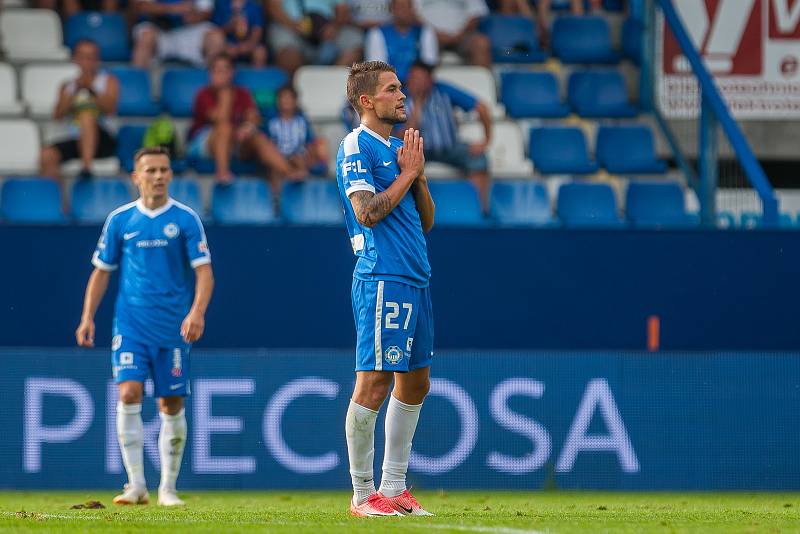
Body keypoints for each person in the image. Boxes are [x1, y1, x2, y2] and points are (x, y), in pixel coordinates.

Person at [75, 146, 214, 507]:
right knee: (128, 393)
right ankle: (136, 484)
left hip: (173, 328)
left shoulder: (185, 219)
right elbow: (101, 273)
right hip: (131, 326)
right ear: (136, 177)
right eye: (150, 170)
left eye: (164, 170)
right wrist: (88, 316)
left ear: (171, 175)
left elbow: (204, 273)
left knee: (170, 403)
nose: (158, 176)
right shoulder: (120, 220)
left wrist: (196, 312)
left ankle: (167, 487)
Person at [336, 61, 435, 517]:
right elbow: (366, 212)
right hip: (382, 276)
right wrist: (406, 175)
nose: (402, 96)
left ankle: (394, 487)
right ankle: (362, 495)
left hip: (415, 276)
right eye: (392, 89)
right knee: (373, 382)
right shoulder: (357, 145)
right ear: (365, 101)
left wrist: (419, 174)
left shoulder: (397, 149)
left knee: (415, 382)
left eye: (401, 88)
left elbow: (427, 221)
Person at [187, 53, 298, 185]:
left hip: (234, 141)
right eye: (216, 71)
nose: (220, 74)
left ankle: (289, 172)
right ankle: (222, 173)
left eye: (224, 70)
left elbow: (254, 117)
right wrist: (225, 95)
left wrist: (247, 127)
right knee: (225, 128)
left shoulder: (242, 93)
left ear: (231, 73)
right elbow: (220, 120)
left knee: (256, 136)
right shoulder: (203, 94)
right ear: (210, 74)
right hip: (204, 143)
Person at [403, 61, 492, 210]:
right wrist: (417, 106)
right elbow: (402, 135)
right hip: (418, 152)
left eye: (421, 78)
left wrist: (486, 141)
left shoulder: (443, 91)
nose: (416, 82)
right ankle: (409, 214)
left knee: (479, 158)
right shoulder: (401, 98)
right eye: (413, 78)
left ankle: (480, 209)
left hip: (450, 147)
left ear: (430, 80)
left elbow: (481, 108)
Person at [40, 39, 119, 183]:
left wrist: (91, 89)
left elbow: (110, 109)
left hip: (102, 141)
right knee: (47, 155)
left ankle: (86, 167)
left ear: (97, 60)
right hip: (76, 138)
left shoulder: (108, 81)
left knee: (86, 116)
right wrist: (73, 94)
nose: (86, 62)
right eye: (82, 57)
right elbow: (58, 116)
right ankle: (57, 202)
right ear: (75, 59)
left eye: (90, 58)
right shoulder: (67, 86)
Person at [267, 0, 362, 77]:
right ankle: (292, 91)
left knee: (354, 41)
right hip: (291, 28)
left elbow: (342, 9)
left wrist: (333, 27)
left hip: (328, 29)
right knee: (287, 53)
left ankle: (332, 82)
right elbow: (273, 7)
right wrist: (293, 25)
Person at [131, 0, 225, 67]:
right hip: (159, 29)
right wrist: (173, 9)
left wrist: (193, 17)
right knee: (146, 37)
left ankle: (211, 91)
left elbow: (206, 11)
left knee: (215, 37)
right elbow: (142, 6)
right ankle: (135, 88)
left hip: (188, 30)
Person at [365, 0, 438, 83]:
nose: (404, 11)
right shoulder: (377, 32)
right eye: (400, 7)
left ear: (413, 9)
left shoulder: (425, 31)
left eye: (408, 7)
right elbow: (376, 68)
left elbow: (429, 64)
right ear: (392, 9)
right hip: (388, 85)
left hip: (417, 86)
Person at [267, 85, 329, 177]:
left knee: (299, 160)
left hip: (298, 156)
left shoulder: (301, 121)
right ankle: (276, 191)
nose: (286, 101)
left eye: (289, 98)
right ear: (278, 101)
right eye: (283, 98)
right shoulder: (272, 122)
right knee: (274, 168)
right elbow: (267, 142)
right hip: (278, 156)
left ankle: (302, 185)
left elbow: (309, 141)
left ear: (295, 101)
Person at [413, 0, 490, 67]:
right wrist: (433, 34)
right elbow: (412, 13)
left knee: (481, 43)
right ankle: (426, 82)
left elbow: (476, 15)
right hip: (431, 35)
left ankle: (483, 82)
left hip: (462, 36)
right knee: (427, 42)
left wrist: (459, 35)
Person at [212, 0, 268, 66]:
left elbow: (257, 34)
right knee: (215, 48)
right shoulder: (222, 5)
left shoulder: (254, 7)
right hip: (226, 45)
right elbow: (216, 31)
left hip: (247, 45)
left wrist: (243, 47)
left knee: (260, 52)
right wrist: (230, 25)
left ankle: (258, 76)